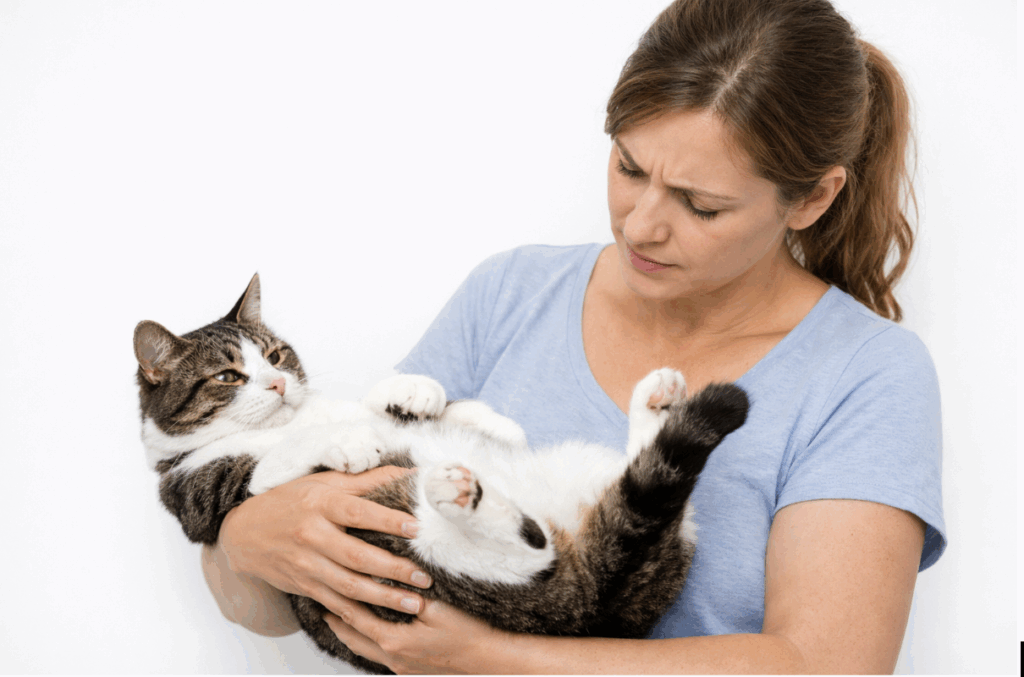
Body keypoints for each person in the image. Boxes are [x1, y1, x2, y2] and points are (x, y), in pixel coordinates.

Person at [202, 0, 946, 672]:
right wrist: (248, 537)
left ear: (812, 197)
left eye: (701, 205)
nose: (641, 223)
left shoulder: (865, 372)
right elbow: (282, 602)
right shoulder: (511, 294)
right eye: (629, 166)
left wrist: (489, 656)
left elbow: (828, 665)